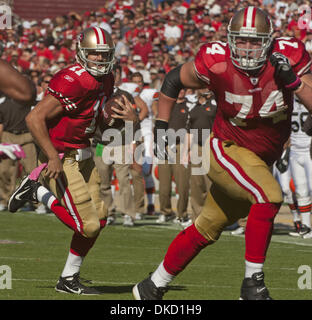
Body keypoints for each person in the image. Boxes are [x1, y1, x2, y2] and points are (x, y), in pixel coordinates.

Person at [133, 7, 312, 300]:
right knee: (269, 197)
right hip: (226, 149)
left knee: (207, 226)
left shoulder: (288, 56)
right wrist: (162, 127)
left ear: (269, 41)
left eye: (256, 41)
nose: (248, 48)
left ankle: (151, 286)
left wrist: (293, 81)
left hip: (258, 160)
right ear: (231, 40)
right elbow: (173, 79)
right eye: (242, 40)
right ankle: (252, 286)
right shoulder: (216, 61)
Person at [8, 27, 138, 295]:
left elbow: (99, 128)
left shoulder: (106, 80)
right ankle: (37, 190)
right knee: (87, 225)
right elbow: (34, 118)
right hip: (61, 156)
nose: (100, 61)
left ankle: (68, 278)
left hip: (85, 153)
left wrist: (123, 121)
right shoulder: (73, 79)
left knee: (100, 220)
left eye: (104, 55)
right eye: (94, 55)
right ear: (82, 53)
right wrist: (52, 156)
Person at [288, 97, 312, 238]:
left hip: (308, 149)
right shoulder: (288, 101)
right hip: (294, 151)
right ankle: (306, 226)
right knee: (300, 191)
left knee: (311, 189)